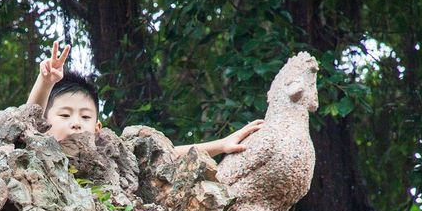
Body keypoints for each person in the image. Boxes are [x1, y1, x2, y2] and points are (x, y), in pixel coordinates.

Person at [26, 41, 264, 157]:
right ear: (46, 124)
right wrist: (46, 82)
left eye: (85, 116)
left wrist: (221, 144)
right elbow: (27, 122)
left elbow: (163, 154)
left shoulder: (112, 157)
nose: (76, 122)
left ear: (98, 129)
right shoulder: (34, 155)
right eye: (65, 115)